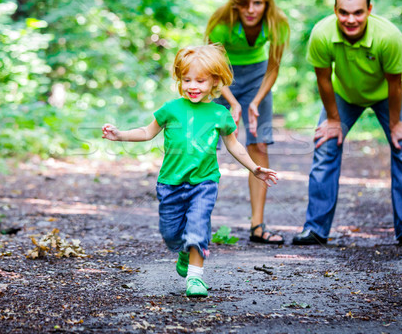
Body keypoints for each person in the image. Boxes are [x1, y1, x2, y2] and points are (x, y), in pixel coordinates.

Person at [102, 44, 279, 297]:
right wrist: (119, 135)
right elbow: (146, 132)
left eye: (200, 80)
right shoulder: (171, 109)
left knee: (197, 227)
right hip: (170, 183)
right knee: (171, 234)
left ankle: (195, 279)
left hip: (203, 183)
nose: (192, 86)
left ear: (215, 81)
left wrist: (254, 168)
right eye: (187, 80)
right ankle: (183, 251)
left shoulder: (220, 113)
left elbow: (234, 146)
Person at [293, 0, 402, 247]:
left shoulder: (389, 37)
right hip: (344, 94)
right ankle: (315, 229)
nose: (350, 19)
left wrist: (395, 124)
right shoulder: (322, 34)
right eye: (344, 12)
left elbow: (394, 82)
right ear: (335, 11)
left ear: (369, 10)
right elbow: (323, 80)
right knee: (325, 143)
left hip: (387, 94)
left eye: (357, 12)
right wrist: (333, 121)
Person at [205, 0, 289, 245]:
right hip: (221, 75)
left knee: (259, 146)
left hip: (258, 76)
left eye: (257, 3)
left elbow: (273, 67)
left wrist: (255, 100)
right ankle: (197, 223)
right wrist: (231, 100)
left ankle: (257, 226)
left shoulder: (278, 23)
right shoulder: (221, 23)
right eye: (244, 4)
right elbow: (210, 66)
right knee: (207, 147)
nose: (250, 10)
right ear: (236, 4)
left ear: (266, 3)